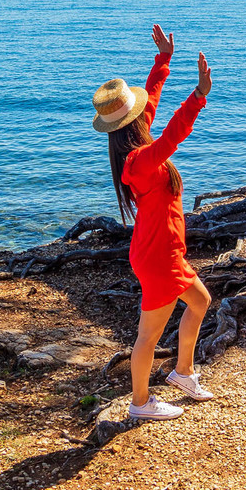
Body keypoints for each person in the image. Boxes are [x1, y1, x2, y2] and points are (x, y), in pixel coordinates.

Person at [92, 24, 214, 425]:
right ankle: (140, 402)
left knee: (200, 302)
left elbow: (152, 100)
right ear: (128, 122)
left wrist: (163, 61)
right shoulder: (140, 161)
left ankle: (183, 373)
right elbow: (172, 137)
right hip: (159, 257)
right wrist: (198, 96)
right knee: (147, 337)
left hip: (164, 251)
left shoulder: (134, 145)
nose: (145, 112)